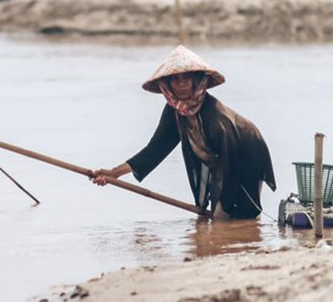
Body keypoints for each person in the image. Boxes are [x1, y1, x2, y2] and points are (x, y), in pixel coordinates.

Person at [92, 46, 276, 219]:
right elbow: (155, 149)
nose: (181, 83)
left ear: (196, 81)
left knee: (236, 211)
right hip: (220, 161)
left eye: (186, 78)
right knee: (220, 212)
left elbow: (231, 163)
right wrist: (114, 173)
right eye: (175, 79)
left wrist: (223, 208)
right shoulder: (174, 112)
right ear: (167, 84)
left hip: (246, 155)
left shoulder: (215, 117)